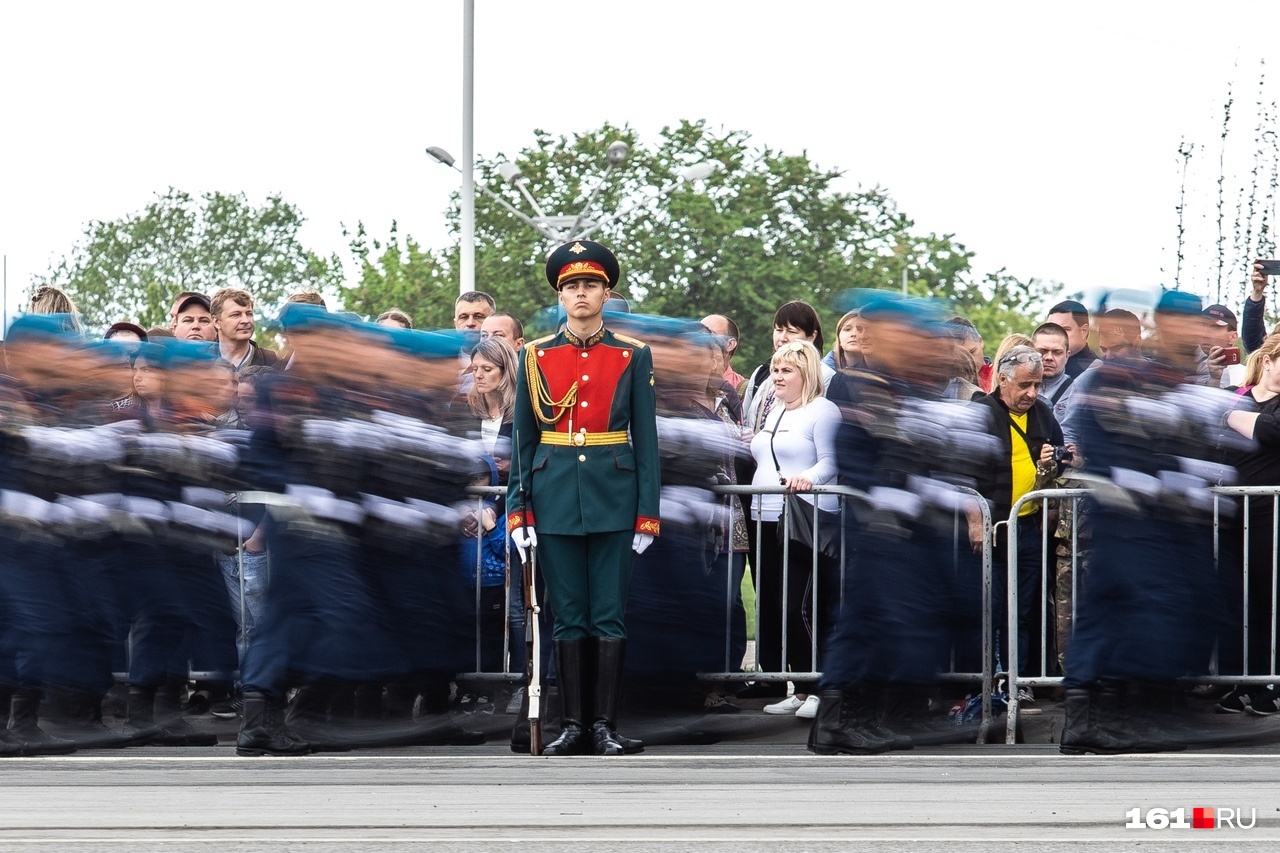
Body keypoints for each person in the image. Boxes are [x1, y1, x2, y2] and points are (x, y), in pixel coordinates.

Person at [506, 239, 660, 757]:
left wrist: (647, 514)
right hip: (552, 501)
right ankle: (573, 726)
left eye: (589, 285)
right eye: (571, 286)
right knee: (567, 614)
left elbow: (647, 441)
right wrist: (518, 509)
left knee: (609, 614)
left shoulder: (633, 356)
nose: (580, 294)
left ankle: (605, 727)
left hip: (614, 496)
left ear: (605, 292)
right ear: (560, 295)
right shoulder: (534, 356)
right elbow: (523, 443)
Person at [749, 340, 841, 720]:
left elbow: (831, 461)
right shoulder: (776, 412)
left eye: (786, 370)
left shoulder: (824, 411)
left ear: (807, 373)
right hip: (765, 517)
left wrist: (807, 478)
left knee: (803, 605)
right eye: (775, 369)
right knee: (776, 606)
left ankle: (821, 685)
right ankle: (800, 687)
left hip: (806, 518)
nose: (777, 376)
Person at [973, 345, 1070, 693]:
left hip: (1029, 528)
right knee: (991, 609)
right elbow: (965, 473)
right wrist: (974, 520)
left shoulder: (1043, 414)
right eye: (1025, 385)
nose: (1031, 393)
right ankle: (987, 683)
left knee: (1024, 610)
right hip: (992, 528)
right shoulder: (981, 413)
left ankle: (1019, 682)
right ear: (1002, 379)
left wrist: (1054, 464)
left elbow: (1062, 462)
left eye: (1037, 385)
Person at [742, 301, 836, 433]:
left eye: (792, 332)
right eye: (778, 330)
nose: (782, 338)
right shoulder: (762, 373)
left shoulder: (824, 375)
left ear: (811, 337)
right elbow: (746, 420)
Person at [211, 289, 278, 371]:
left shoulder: (271, 361)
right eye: (236, 315)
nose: (246, 320)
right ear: (216, 322)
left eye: (249, 314)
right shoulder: (200, 362)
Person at [1031, 322, 1074, 423]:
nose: (1049, 357)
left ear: (1067, 356)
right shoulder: (1017, 387)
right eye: (1042, 351)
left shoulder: (1076, 393)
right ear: (1031, 352)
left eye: (1057, 352)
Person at [1047, 300, 1098, 378]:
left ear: (1084, 331)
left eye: (1065, 329)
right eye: (1051, 329)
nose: (1055, 335)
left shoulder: (1096, 371)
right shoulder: (1038, 365)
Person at [1201, 304, 1245, 389]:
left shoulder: (1246, 376)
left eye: (1214, 327)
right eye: (1202, 326)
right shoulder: (1186, 366)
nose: (1205, 334)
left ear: (1233, 337)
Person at [701, 314, 746, 388]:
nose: (699, 339)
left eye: (708, 334)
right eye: (697, 333)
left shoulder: (743, 389)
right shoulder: (682, 381)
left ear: (730, 344)